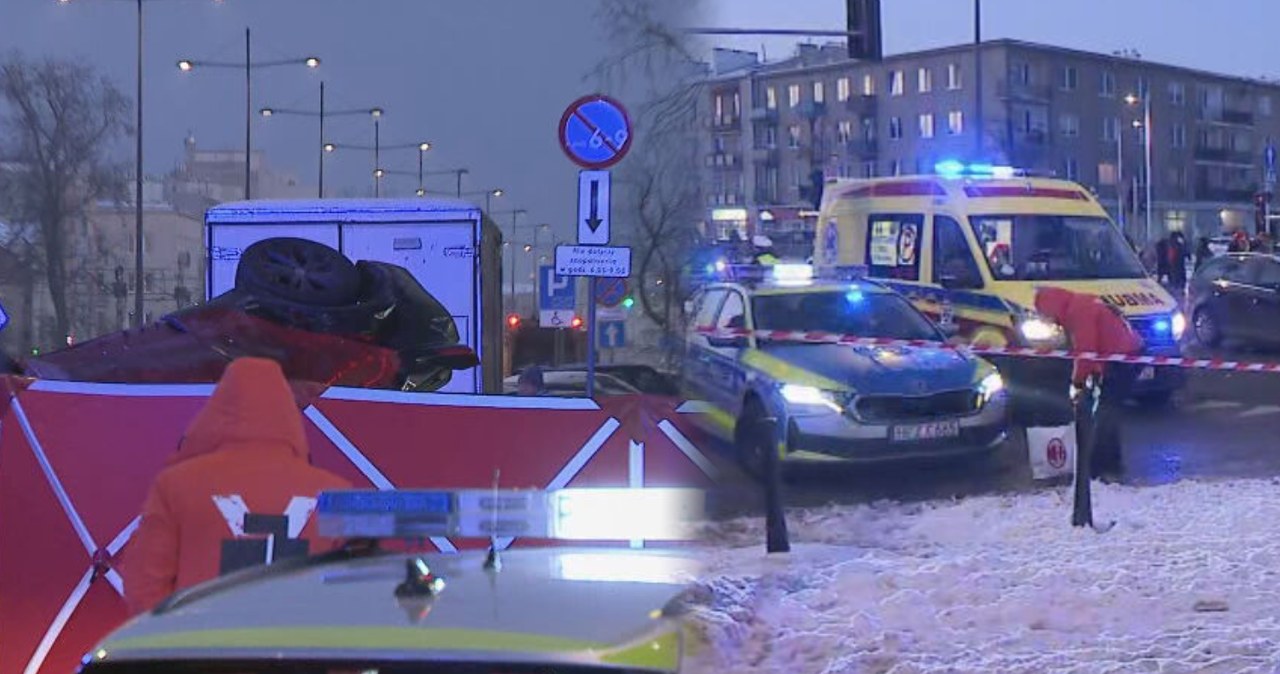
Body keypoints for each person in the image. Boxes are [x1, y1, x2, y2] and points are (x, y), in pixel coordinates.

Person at [123, 357, 352, 614]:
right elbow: (363, 588)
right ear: (288, 415)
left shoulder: (176, 485)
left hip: (202, 646)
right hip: (300, 648)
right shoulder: (336, 494)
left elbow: (144, 586)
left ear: (215, 413)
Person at [1034, 288, 1143, 483]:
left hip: (1122, 360)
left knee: (1105, 414)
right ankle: (1105, 464)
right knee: (1106, 412)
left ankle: (1104, 468)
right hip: (1126, 354)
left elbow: (1086, 351)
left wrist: (1077, 382)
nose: (1049, 321)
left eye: (1045, 315)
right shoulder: (1080, 302)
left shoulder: (1079, 311)